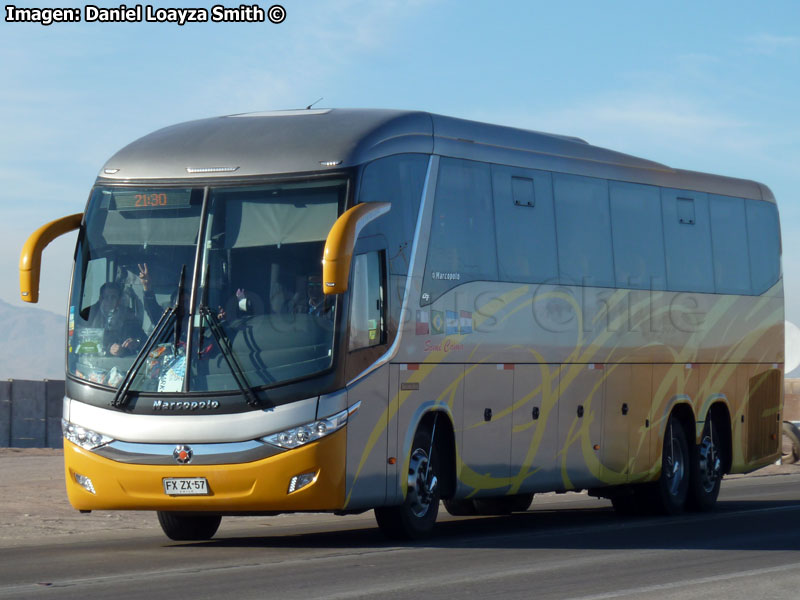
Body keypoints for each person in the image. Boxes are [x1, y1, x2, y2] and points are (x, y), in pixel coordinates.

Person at [85, 281, 143, 356]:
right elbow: (83, 344)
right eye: (106, 297)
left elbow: (144, 340)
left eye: (113, 297)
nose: (109, 301)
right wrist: (108, 350)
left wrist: (136, 342)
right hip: (95, 364)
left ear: (118, 301)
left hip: (127, 365)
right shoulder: (88, 315)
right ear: (100, 299)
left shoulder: (128, 315)